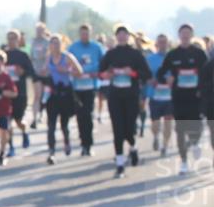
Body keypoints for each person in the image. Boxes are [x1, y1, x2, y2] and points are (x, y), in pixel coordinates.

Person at [99, 24, 152, 178]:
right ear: (116, 37)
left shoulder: (135, 54)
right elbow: (100, 73)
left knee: (129, 129)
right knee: (118, 130)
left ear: (129, 36)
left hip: (131, 96)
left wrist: (133, 73)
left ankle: (133, 147)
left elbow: (146, 74)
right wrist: (107, 74)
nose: (122, 36)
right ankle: (120, 164)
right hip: (115, 96)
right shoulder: (110, 54)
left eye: (124, 34)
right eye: (119, 34)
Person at [156, 23, 209, 175]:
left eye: (188, 33)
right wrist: (167, 80)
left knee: (196, 128)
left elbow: (207, 74)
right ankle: (184, 162)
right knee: (180, 130)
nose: (185, 35)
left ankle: (194, 143)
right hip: (178, 98)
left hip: (196, 98)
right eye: (182, 33)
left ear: (192, 35)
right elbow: (161, 73)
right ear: (179, 36)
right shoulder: (172, 55)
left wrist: (202, 89)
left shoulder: (199, 54)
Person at [43, 35, 83, 164]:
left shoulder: (67, 57)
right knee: (51, 125)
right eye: (53, 43)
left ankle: (66, 141)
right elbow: (43, 71)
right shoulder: (48, 58)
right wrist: (44, 72)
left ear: (62, 44)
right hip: (53, 94)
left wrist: (67, 70)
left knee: (64, 124)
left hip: (66, 94)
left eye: (57, 43)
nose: (55, 46)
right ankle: (51, 152)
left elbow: (79, 72)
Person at [67, 24, 106, 156]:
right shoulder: (73, 47)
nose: (85, 36)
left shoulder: (97, 48)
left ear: (91, 33)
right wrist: (72, 72)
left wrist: (96, 72)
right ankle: (83, 143)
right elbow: (67, 63)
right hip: (77, 87)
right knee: (80, 115)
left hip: (91, 86)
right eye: (82, 33)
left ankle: (89, 144)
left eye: (87, 33)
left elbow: (104, 63)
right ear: (79, 34)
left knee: (88, 115)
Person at [4, 30, 35, 154]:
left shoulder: (23, 55)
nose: (11, 41)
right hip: (6, 93)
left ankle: (24, 131)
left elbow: (31, 72)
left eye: (14, 38)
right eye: (9, 38)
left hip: (20, 93)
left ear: (18, 40)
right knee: (7, 121)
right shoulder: (3, 55)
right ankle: (11, 147)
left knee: (18, 121)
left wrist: (22, 72)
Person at [145, 33, 173, 157]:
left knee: (168, 122)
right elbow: (145, 74)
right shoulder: (150, 59)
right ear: (156, 44)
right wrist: (150, 80)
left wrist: (173, 80)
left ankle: (165, 146)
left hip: (170, 96)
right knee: (155, 123)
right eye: (160, 42)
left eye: (164, 42)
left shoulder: (173, 57)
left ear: (168, 44)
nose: (162, 44)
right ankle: (156, 136)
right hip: (155, 96)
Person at [29, 23, 51, 129]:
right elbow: (31, 56)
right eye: (37, 30)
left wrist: (45, 68)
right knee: (37, 95)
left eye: (40, 30)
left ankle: (46, 115)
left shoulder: (47, 42)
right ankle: (35, 118)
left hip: (46, 72)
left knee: (46, 96)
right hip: (36, 72)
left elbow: (48, 56)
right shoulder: (33, 42)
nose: (38, 32)